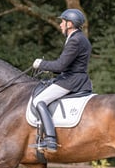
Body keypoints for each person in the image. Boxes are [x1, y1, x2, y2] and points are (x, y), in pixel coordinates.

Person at [32, 8, 93, 152]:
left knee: (38, 101)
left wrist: (41, 64)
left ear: (70, 24)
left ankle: (50, 140)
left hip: (71, 80)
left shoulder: (75, 40)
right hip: (73, 78)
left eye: (62, 22)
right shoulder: (79, 38)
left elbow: (60, 66)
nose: (60, 25)